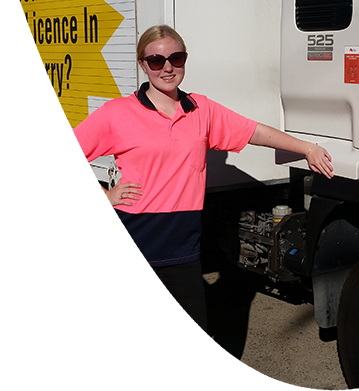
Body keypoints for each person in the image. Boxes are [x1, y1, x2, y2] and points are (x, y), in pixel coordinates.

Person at [48, 24, 333, 391]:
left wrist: (306, 148)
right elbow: (63, 156)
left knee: (190, 339)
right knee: (136, 341)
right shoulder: (118, 113)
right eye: (156, 60)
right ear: (143, 65)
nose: (167, 67)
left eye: (175, 58)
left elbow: (253, 132)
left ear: (184, 60)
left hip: (181, 247)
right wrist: (103, 196)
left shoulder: (201, 109)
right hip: (129, 246)